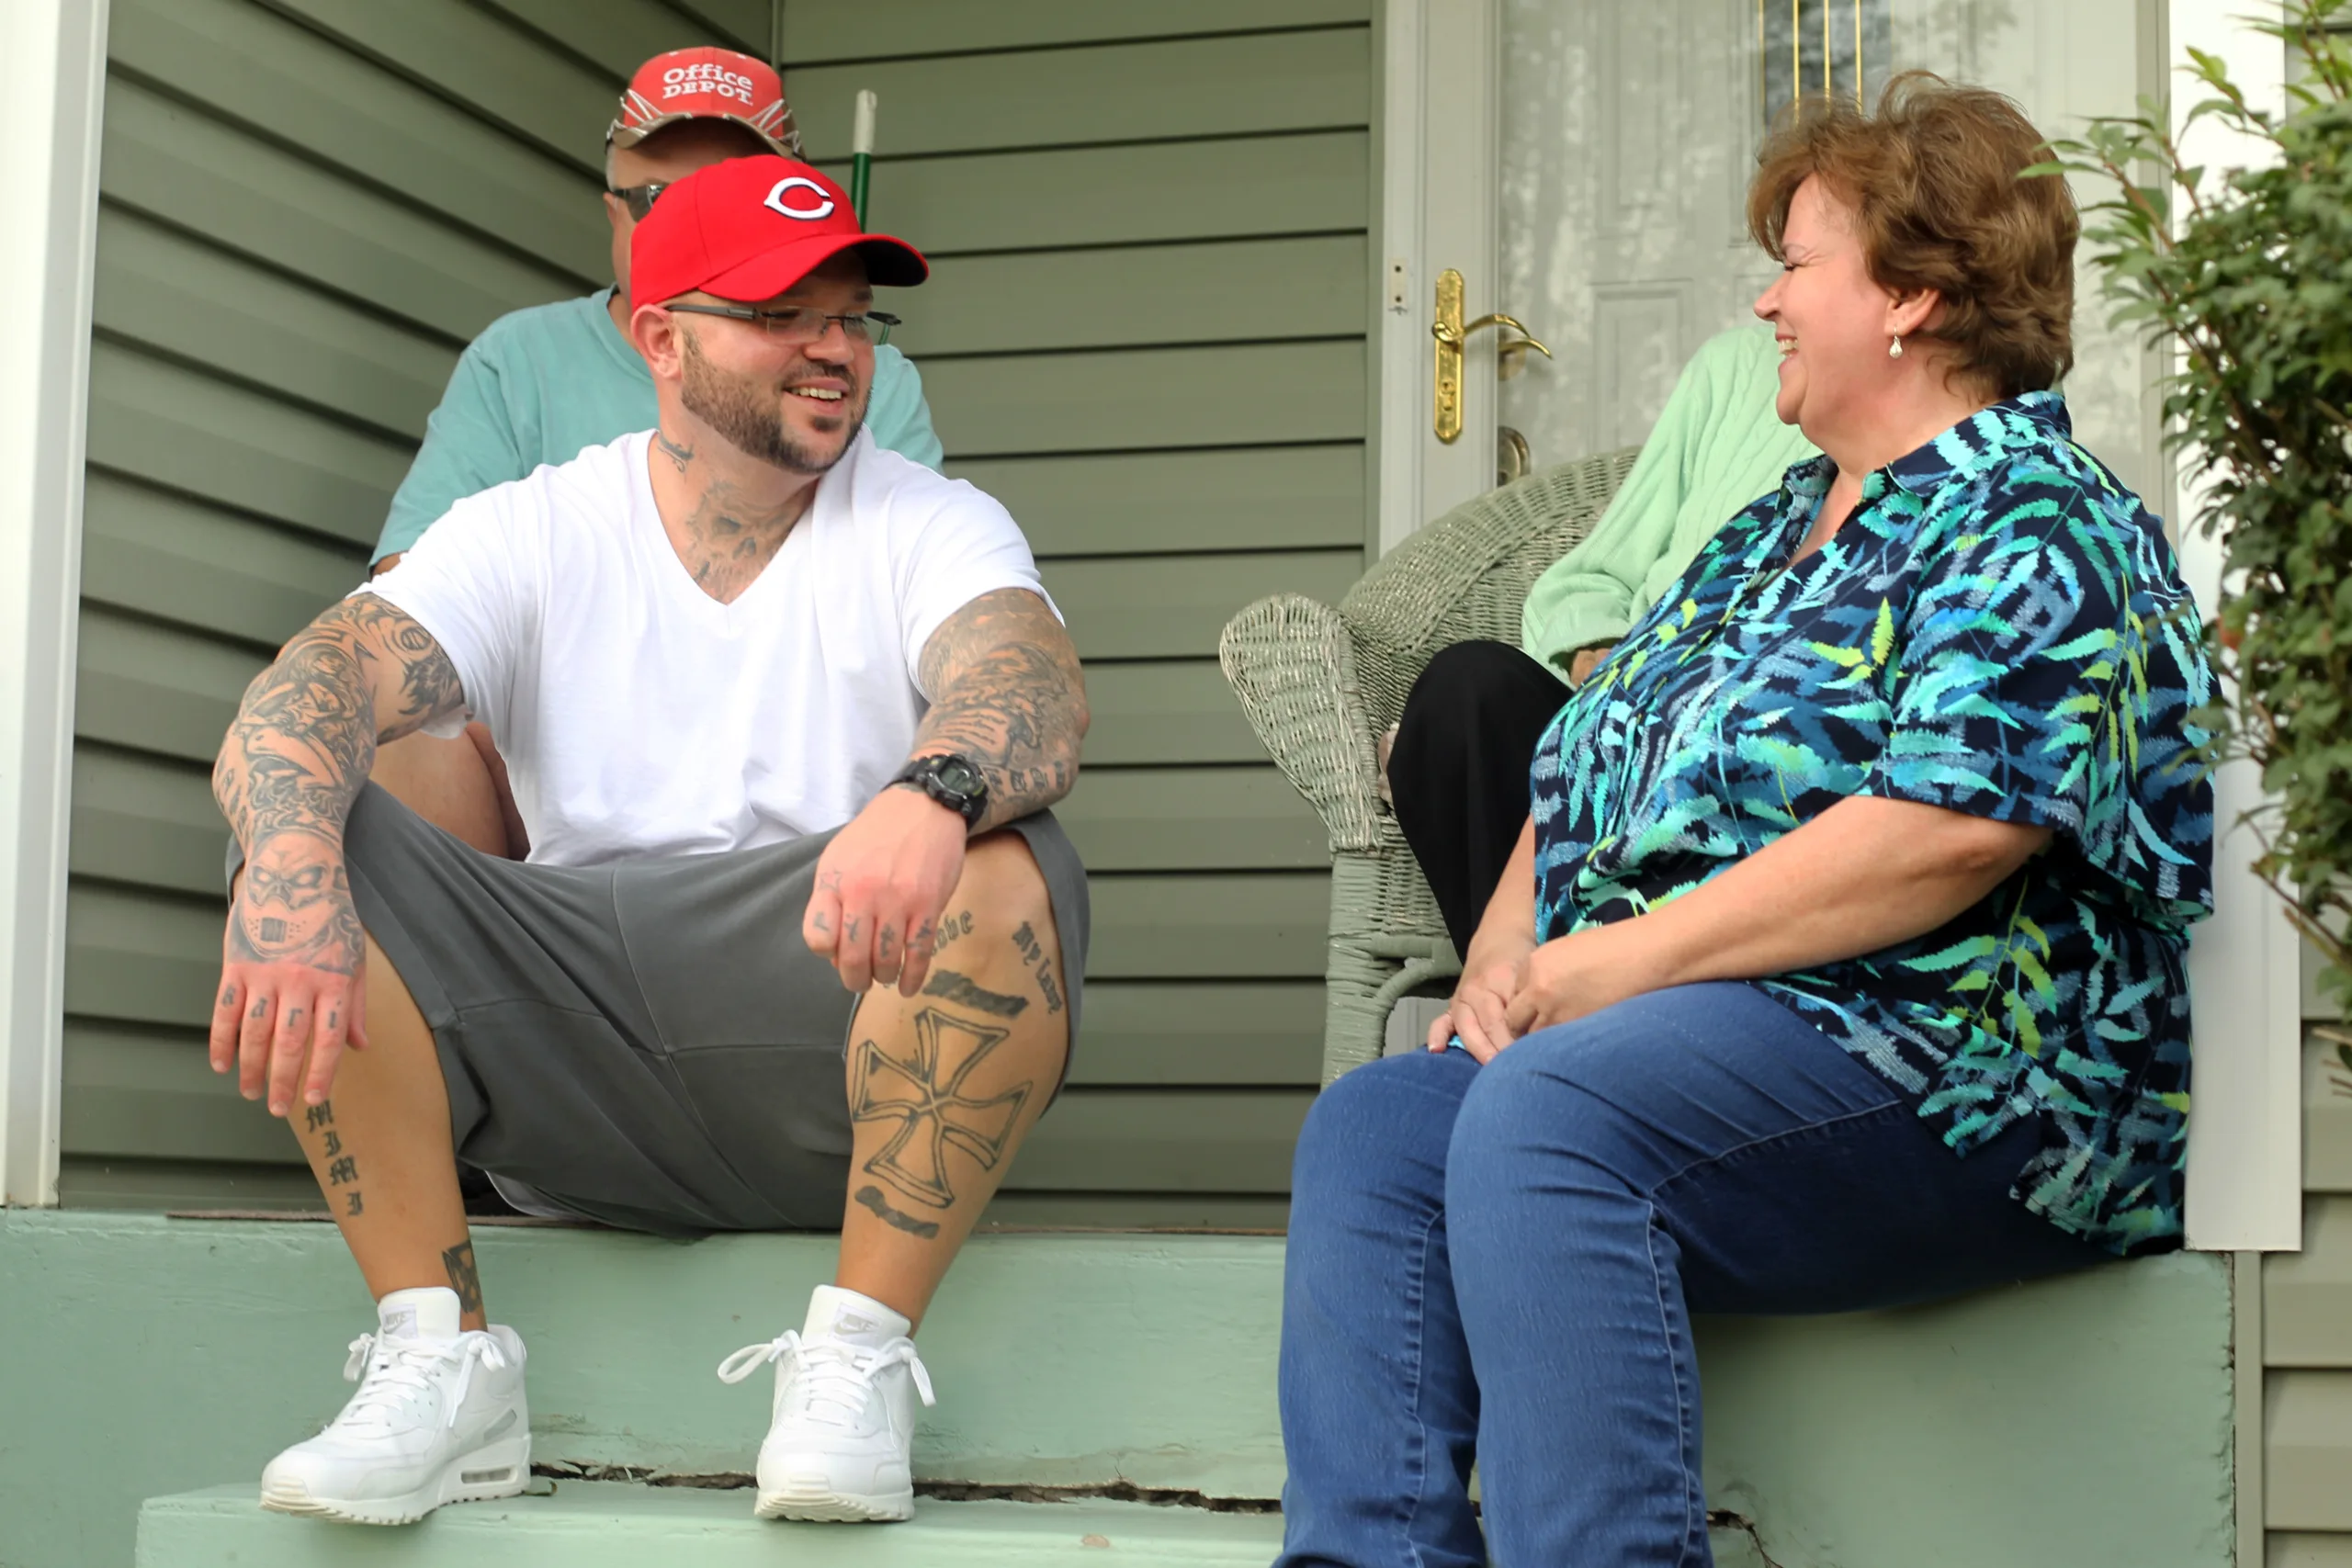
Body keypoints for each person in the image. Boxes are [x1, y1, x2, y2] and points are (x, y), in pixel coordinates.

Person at [1276, 73, 2215, 1568]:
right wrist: (1502, 970)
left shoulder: (2040, 518)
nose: (1767, 302)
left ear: (1911, 294)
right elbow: (1582, 764)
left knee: (1552, 1113)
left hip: (1969, 1068)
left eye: (1798, 263)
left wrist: (1620, 965)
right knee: (1385, 1122)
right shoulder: (1772, 529)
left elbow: (1951, 826)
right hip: (1721, 1045)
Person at [208, 155, 1088, 1529]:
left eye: (851, 316)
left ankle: (855, 1351)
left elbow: (1025, 680)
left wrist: (933, 790)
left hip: (824, 1036)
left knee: (1011, 862)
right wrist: (290, 865)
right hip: (573, 1043)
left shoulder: (928, 519)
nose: (831, 348)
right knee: (315, 814)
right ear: (658, 337)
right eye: (781, 311)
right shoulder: (539, 524)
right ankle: (438, 1358)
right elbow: (314, 682)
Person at [368, 47, 944, 863]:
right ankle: (481, 980)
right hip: (550, 785)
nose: (690, 220)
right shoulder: (521, 361)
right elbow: (413, 599)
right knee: (396, 735)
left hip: (799, 801)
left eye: (729, 192)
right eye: (659, 198)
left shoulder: (861, 381)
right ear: (614, 216)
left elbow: (926, 616)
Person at [1388, 324, 1818, 954]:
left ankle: (1565, 1014)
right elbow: (1592, 576)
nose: (1771, 299)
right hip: (1623, 700)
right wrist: (1600, 654)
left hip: (1737, 741)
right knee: (1467, 690)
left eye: (1802, 262)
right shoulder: (1738, 366)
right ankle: (1516, 997)